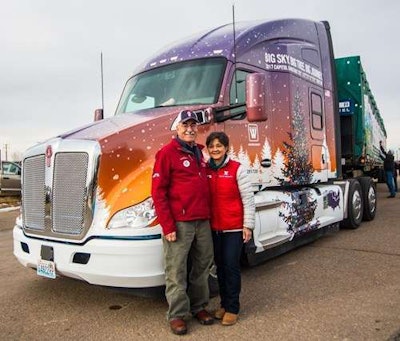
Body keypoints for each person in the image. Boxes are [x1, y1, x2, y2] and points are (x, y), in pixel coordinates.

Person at [151, 110, 214, 335]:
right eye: (185, 125)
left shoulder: (200, 152)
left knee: (202, 266)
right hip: (180, 223)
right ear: (177, 128)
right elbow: (158, 193)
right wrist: (167, 225)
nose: (189, 129)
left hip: (202, 220)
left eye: (193, 125)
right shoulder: (167, 153)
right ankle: (177, 314)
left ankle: (199, 307)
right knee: (176, 269)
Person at [205, 131, 255, 326]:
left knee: (231, 267)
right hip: (213, 228)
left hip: (233, 228)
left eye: (219, 146)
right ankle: (224, 304)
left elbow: (248, 199)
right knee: (220, 269)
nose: (215, 149)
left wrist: (247, 225)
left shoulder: (237, 169)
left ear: (226, 148)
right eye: (211, 146)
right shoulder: (205, 170)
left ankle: (233, 308)